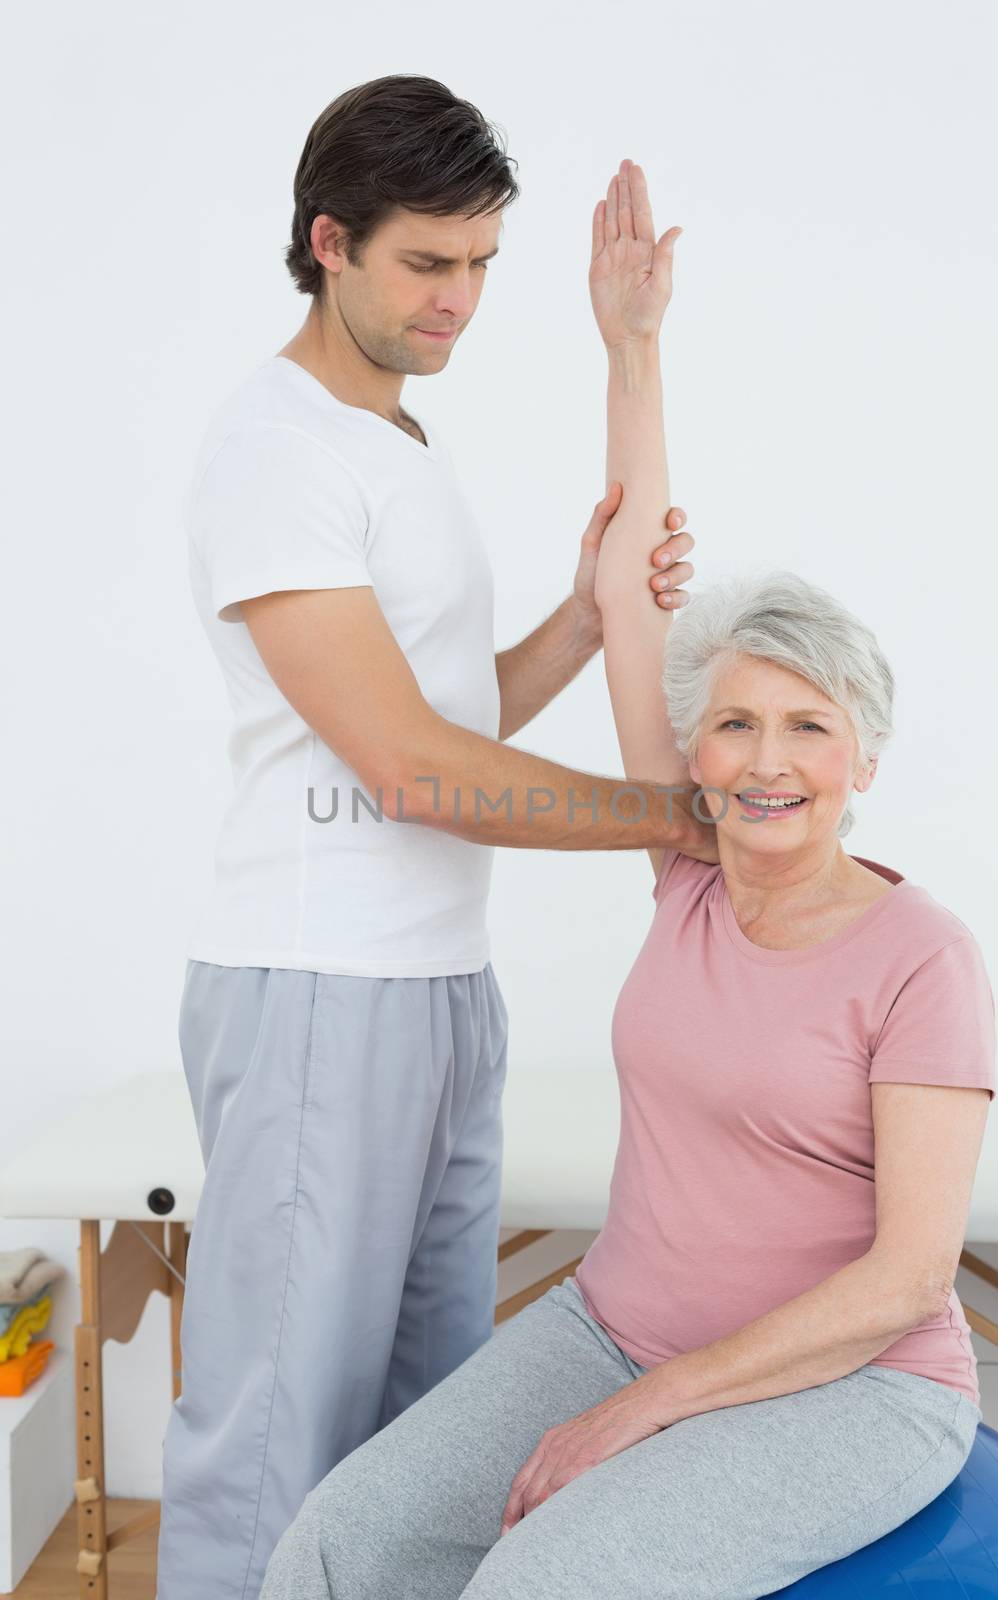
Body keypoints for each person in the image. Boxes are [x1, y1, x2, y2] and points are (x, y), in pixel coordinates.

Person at [257, 159, 997, 1600]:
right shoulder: (692, 871)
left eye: (807, 728)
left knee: (528, 1587)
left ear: (866, 759)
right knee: (336, 1548)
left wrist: (641, 1413)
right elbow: (631, 589)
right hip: (616, 1326)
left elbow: (908, 1282)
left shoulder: (923, 956)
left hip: (853, 1390)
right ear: (695, 757)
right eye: (733, 722)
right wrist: (633, 348)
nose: (765, 760)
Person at [157, 84, 720, 1600]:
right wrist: (677, 820)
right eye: (428, 263)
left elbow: (460, 709)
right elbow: (407, 769)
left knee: (420, 1443)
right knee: (276, 1443)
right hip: (315, 989)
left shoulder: (396, 439)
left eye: (480, 263)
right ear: (328, 244)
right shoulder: (279, 448)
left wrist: (588, 595)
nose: (461, 300)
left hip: (437, 988)